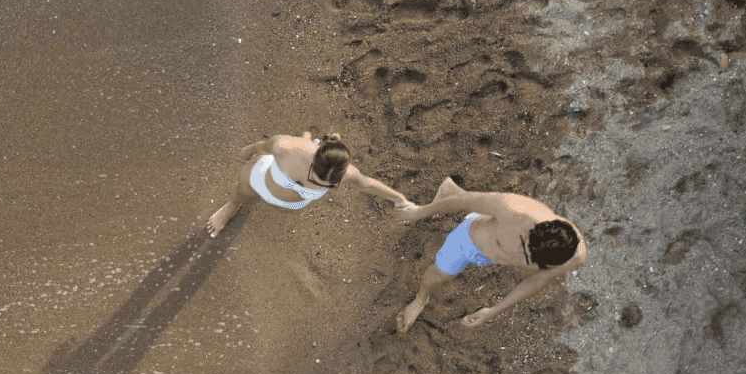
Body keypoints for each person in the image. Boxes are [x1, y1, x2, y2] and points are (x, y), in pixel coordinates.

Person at [394, 177, 587, 332]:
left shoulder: (573, 259)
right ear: (533, 229)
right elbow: (464, 202)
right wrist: (419, 212)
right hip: (469, 241)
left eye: (529, 258)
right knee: (441, 274)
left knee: (475, 203)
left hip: (490, 255)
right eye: (523, 243)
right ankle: (421, 299)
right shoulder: (515, 209)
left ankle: (449, 189)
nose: (520, 252)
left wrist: (493, 311)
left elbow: (538, 280)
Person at [205, 132, 412, 236]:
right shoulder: (284, 147)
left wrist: (399, 198)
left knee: (282, 206)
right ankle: (231, 207)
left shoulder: (348, 174)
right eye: (315, 179)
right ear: (312, 161)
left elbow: (367, 185)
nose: (318, 185)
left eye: (329, 185)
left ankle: (307, 137)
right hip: (260, 178)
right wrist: (248, 152)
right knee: (241, 192)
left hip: (288, 202)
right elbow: (260, 146)